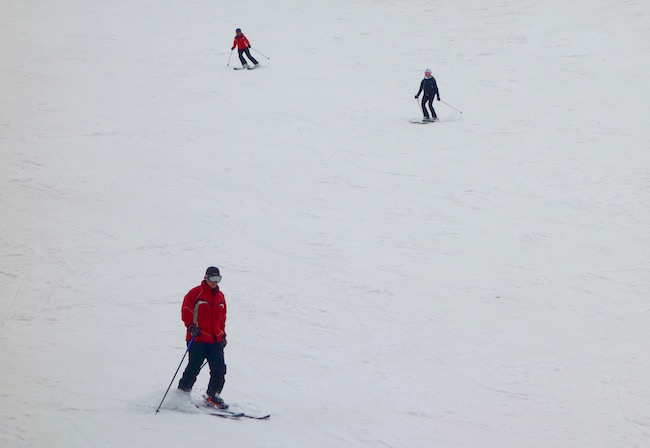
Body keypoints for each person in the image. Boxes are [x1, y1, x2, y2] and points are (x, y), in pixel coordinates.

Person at [177, 266, 229, 409]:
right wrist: (190, 326)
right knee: (193, 367)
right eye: (212, 279)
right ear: (206, 277)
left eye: (218, 279)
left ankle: (213, 395)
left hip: (215, 340)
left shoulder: (220, 296)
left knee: (219, 369)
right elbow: (186, 310)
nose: (215, 282)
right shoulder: (196, 293)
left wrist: (222, 334)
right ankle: (182, 394)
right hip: (198, 338)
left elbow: (222, 318)